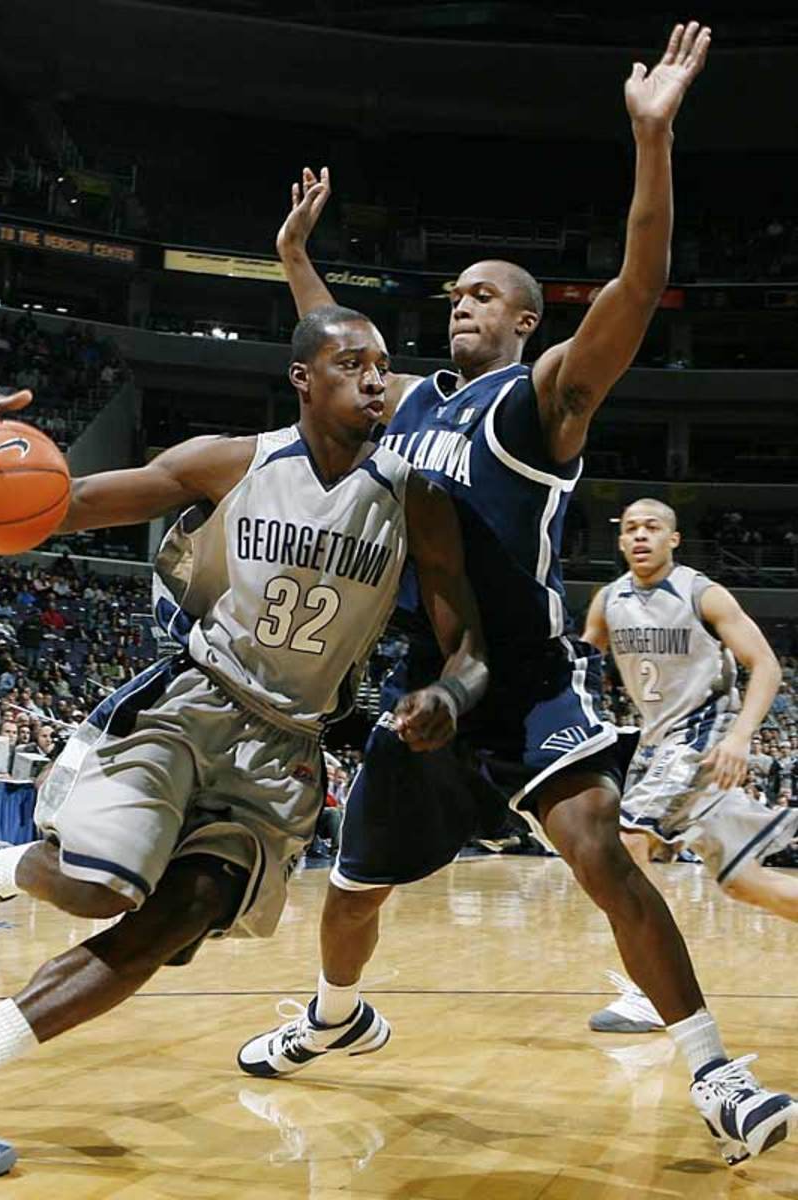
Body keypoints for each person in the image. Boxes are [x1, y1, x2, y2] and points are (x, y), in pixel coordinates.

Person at [237, 23, 797, 1167]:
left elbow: (641, 282)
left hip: (527, 679)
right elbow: (335, 345)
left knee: (602, 852)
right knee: (352, 891)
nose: (461, 304)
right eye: (455, 294)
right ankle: (336, 1016)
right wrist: (298, 256)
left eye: (484, 295)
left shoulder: (539, 401)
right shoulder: (411, 405)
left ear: (528, 320)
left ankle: (715, 1073)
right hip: (424, 683)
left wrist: (653, 138)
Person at [0, 306, 489, 1176]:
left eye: (383, 364)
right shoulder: (229, 462)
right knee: (94, 891)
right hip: (192, 706)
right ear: (303, 378)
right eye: (351, 363)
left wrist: (448, 694)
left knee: (176, 920)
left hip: (289, 749)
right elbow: (57, 506)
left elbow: (469, 644)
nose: (376, 379)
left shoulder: (414, 499)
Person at [582, 499, 798, 1033]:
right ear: (620, 540)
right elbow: (580, 669)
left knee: (626, 840)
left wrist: (741, 737)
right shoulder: (608, 601)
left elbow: (764, 663)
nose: (640, 536)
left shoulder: (702, 593)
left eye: (652, 528)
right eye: (630, 528)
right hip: (656, 745)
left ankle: (652, 993)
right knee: (745, 883)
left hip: (704, 738)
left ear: (673, 540)